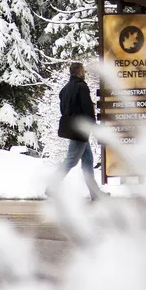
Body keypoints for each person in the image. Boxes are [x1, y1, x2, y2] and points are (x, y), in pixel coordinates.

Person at [46, 62, 109, 201]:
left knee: (88, 161)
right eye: (84, 71)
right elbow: (87, 108)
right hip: (80, 130)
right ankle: (51, 186)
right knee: (71, 160)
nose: (85, 73)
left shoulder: (65, 89)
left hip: (71, 128)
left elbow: (64, 109)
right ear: (80, 72)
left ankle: (95, 194)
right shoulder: (81, 87)